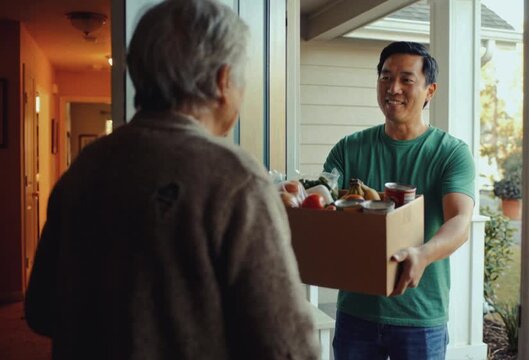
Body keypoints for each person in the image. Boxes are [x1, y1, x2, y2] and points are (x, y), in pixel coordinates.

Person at [24, 0, 319, 359]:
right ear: (223, 80)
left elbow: (40, 312)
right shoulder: (234, 178)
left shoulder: (86, 166)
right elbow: (288, 348)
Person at [323, 41, 475, 360]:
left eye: (406, 79)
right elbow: (323, 207)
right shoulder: (348, 150)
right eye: (385, 77)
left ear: (429, 90)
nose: (393, 88)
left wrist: (422, 254)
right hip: (356, 312)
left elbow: (459, 222)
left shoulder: (450, 153)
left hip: (420, 316)